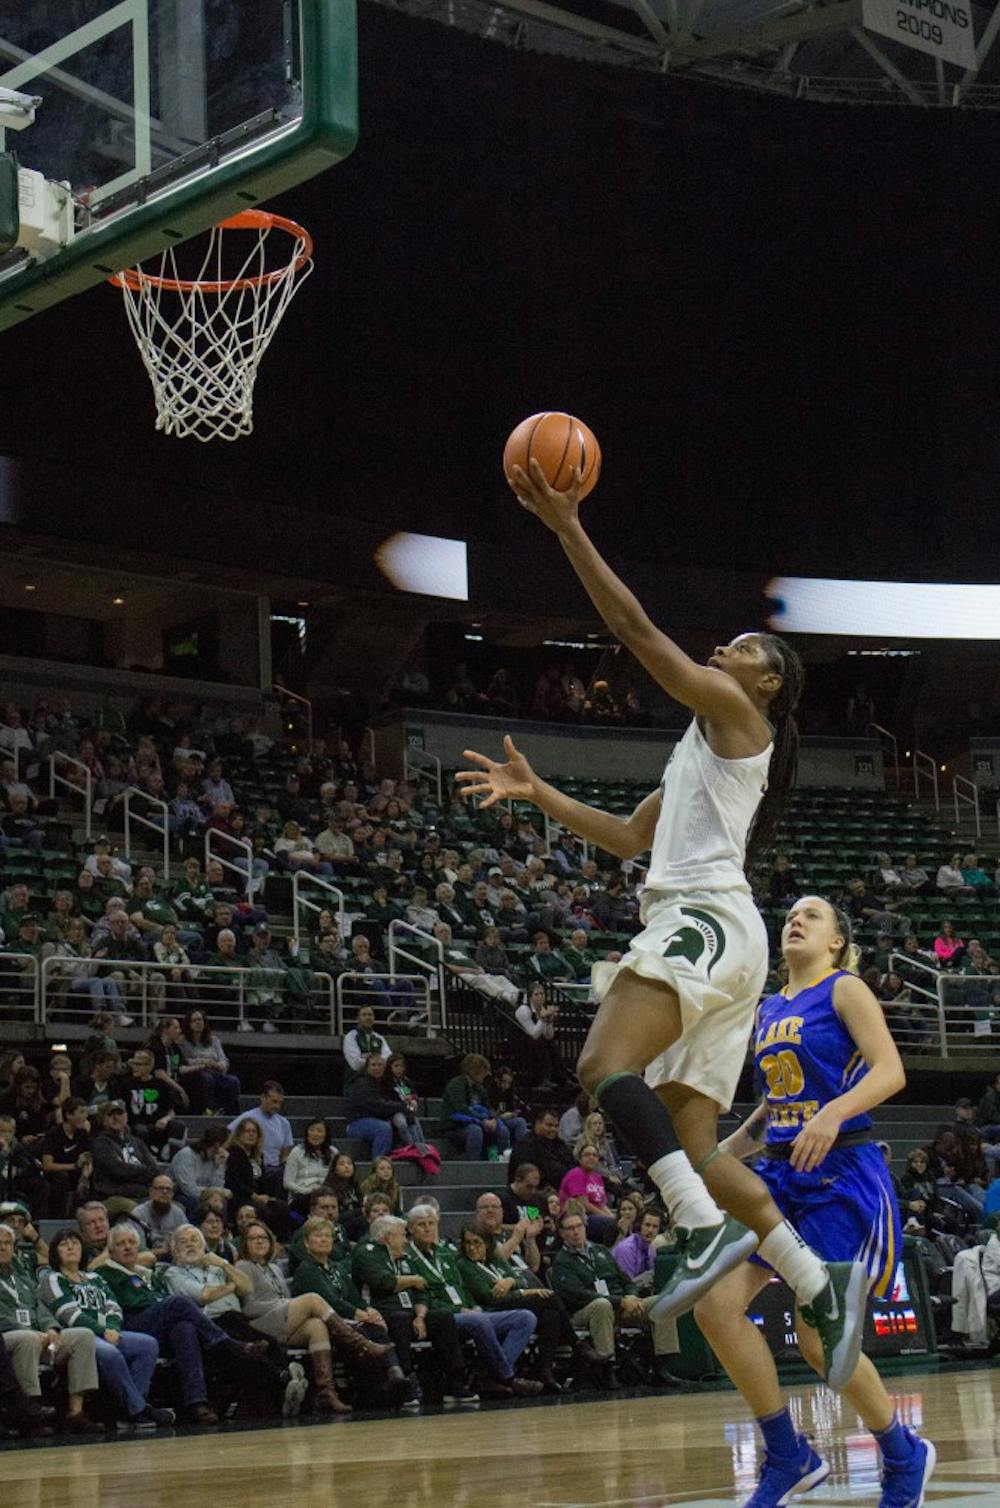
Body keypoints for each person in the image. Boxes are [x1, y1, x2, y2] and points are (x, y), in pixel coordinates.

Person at [457, 467, 860, 1381]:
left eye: (743, 646)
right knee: (695, 1146)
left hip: (706, 921)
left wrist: (565, 526)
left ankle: (704, 1236)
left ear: (770, 682)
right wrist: (536, 792)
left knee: (603, 1064)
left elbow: (636, 631)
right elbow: (627, 837)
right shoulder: (704, 749)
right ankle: (817, 1280)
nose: (725, 651)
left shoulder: (736, 713)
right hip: (723, 932)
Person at [692, 896, 934, 1508]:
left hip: (841, 1173)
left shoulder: (845, 988)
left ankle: (903, 1454)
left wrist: (832, 1112)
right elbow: (775, 1107)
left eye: (813, 915)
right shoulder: (771, 1007)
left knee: (817, 1337)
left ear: (836, 941)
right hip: (779, 1175)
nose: (795, 920)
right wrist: (715, 1159)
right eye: (791, 915)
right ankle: (788, 1454)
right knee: (715, 1308)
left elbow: (889, 1070)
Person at [94, 1221, 265, 1424]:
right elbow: (129, 1303)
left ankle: (197, 1403)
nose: (128, 1247)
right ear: (111, 1250)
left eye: (132, 1242)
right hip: (132, 1325)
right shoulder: (107, 1272)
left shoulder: (148, 1274)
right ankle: (228, 1344)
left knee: (185, 1328)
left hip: (158, 1326)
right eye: (121, 1244)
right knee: (178, 1302)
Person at [236, 1220, 395, 1413]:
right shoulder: (243, 1267)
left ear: (270, 1241)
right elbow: (249, 1308)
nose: (259, 1241)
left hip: (283, 1321)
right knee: (312, 1299)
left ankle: (326, 1391)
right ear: (244, 1242)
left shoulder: (275, 1268)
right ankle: (361, 1344)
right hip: (260, 1325)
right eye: (253, 1238)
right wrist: (283, 1304)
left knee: (316, 1326)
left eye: (263, 1237)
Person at [40, 1228, 173, 1430]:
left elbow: (113, 1306)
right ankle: (138, 1409)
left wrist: (111, 1328)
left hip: (106, 1332)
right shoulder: (53, 1278)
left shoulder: (95, 1278)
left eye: (75, 1242)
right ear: (54, 1252)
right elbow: (68, 1314)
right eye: (64, 1244)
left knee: (148, 1344)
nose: (70, 1247)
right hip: (76, 1336)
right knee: (110, 1353)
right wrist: (102, 1331)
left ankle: (130, 1407)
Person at [404, 1204, 541, 1398]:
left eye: (431, 1223)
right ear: (410, 1228)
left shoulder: (445, 1253)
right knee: (479, 1320)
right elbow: (420, 1296)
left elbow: (462, 1286)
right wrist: (459, 1310)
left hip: (469, 1311)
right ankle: (507, 1377)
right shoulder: (406, 1257)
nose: (427, 1228)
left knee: (525, 1317)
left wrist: (472, 1305)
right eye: (421, 1224)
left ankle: (488, 1376)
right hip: (442, 1315)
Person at [289, 1215, 419, 1408]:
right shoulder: (306, 1269)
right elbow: (331, 1301)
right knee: (364, 1330)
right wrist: (360, 1314)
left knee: (375, 1326)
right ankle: (377, 1389)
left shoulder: (336, 1268)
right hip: (324, 1323)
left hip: (349, 1319)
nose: (324, 1239)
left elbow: (353, 1296)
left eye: (328, 1236)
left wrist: (369, 1310)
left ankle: (395, 1375)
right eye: (318, 1236)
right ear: (307, 1243)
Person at [351, 1215, 479, 1406]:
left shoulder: (405, 1258)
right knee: (400, 1319)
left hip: (411, 1312)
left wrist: (420, 1317)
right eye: (402, 1236)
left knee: (442, 1317)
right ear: (387, 1237)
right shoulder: (367, 1253)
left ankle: (455, 1382)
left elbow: (422, 1291)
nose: (406, 1240)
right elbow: (383, 1283)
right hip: (379, 1312)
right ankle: (406, 1383)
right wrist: (412, 1280)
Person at [549, 1209, 683, 1389]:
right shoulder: (561, 1261)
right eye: (570, 1228)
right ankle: (608, 1370)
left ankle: (661, 1368)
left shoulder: (601, 1251)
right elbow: (576, 1295)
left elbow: (625, 1279)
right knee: (601, 1305)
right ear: (562, 1233)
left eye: (579, 1226)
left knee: (662, 1301)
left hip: (621, 1305)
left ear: (585, 1227)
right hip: (584, 1311)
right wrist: (618, 1301)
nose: (576, 1231)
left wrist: (632, 1296)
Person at [0, 1221, 101, 1433]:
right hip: (8, 1339)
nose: (3, 1247)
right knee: (26, 1340)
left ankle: (76, 1412)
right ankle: (29, 1411)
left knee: (83, 1335)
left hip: (42, 1338)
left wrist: (51, 1328)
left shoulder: (23, 1278)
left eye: (8, 1243)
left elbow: (41, 1306)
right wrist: (29, 1331)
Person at [455, 1222, 581, 1393]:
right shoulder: (465, 1264)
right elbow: (490, 1298)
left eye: (477, 1242)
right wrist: (523, 1293)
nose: (472, 1247)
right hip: (489, 1310)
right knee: (550, 1298)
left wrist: (511, 1281)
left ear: (487, 1243)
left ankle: (543, 1371)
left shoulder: (496, 1260)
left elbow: (521, 1278)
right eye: (467, 1243)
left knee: (551, 1316)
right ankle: (577, 1345)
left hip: (508, 1305)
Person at [225, 1119, 290, 1240]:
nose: (251, 1134)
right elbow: (234, 1182)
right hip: (239, 1196)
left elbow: (263, 1181)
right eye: (247, 1131)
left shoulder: (258, 1155)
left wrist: (266, 1196)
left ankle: (281, 1242)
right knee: (264, 1211)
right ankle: (264, 1239)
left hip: (256, 1196)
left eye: (254, 1132)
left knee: (281, 1206)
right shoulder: (234, 1153)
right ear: (239, 1134)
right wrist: (254, 1196)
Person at [440, 1054, 513, 1160]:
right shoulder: (456, 1084)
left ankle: (503, 1160)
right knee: (475, 1131)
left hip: (478, 1121)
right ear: (475, 1070)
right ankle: (473, 1163)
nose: (487, 1074)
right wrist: (482, 1120)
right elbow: (461, 1108)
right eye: (484, 1070)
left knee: (503, 1130)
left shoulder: (479, 1088)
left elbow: (488, 1107)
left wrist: (493, 1119)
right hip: (455, 1125)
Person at [90, 1099, 160, 1209]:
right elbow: (119, 1171)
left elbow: (154, 1169)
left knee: (175, 1206)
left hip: (141, 1193)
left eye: (119, 1114)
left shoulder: (137, 1141)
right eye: (111, 1115)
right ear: (104, 1120)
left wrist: (135, 1175)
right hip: (113, 1196)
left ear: (126, 1116)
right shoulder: (101, 1144)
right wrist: (143, 1170)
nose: (116, 1118)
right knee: (132, 1208)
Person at [226, 1081, 292, 1192]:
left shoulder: (284, 1123)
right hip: (254, 1167)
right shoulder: (247, 1117)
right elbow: (227, 1138)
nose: (277, 1106)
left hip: (276, 1169)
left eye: (280, 1103)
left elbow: (285, 1153)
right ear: (263, 1097)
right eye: (274, 1101)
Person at [176, 1010, 241, 1115]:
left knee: (233, 1081)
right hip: (195, 1073)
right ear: (189, 1024)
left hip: (215, 1070)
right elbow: (185, 1061)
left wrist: (217, 1064)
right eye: (194, 1020)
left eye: (200, 1020)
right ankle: (209, 1110)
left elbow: (224, 1061)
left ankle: (231, 1114)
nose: (198, 1022)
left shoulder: (214, 1040)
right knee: (207, 1079)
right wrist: (203, 1062)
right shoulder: (182, 1041)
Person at [171, 1124, 232, 1212]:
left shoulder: (216, 1159)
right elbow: (189, 1190)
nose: (228, 1147)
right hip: (178, 1195)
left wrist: (220, 1166)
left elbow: (217, 1186)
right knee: (196, 1202)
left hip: (202, 1195)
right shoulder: (187, 1155)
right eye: (227, 1144)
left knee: (221, 1201)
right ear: (218, 1144)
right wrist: (219, 1191)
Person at [283, 1119, 337, 1213]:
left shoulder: (333, 1152)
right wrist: (306, 1191)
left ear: (326, 1135)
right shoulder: (297, 1151)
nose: (315, 1134)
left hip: (327, 1195)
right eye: (312, 1130)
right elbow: (287, 1182)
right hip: (302, 1195)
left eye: (319, 1131)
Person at [342, 1004, 392, 1088]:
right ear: (358, 1019)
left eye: (370, 1015)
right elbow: (355, 1064)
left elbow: (389, 1058)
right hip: (356, 1082)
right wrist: (377, 1060)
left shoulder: (379, 1038)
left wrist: (366, 1058)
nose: (368, 1017)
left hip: (378, 1082)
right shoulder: (350, 1037)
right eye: (364, 1015)